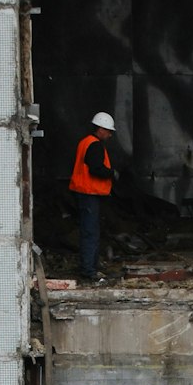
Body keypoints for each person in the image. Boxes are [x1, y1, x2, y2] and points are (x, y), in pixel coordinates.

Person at [68, 112, 117, 282]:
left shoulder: (84, 142)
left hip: (83, 193)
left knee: (89, 232)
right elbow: (96, 169)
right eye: (109, 131)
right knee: (91, 233)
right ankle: (89, 270)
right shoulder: (95, 145)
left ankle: (90, 267)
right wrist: (112, 173)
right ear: (101, 129)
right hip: (90, 194)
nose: (110, 135)